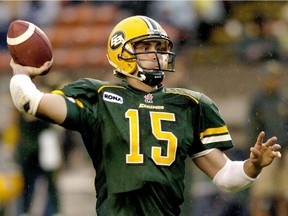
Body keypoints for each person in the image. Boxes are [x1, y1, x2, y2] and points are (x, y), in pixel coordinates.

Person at [8, 15, 281, 216]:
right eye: (146, 48)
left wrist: (252, 166)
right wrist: (21, 74)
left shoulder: (188, 104)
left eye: (159, 48)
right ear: (122, 51)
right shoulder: (100, 97)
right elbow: (30, 102)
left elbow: (225, 176)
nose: (156, 55)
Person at [247, 60, 288, 216]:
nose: (272, 81)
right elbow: (252, 128)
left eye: (275, 77)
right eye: (269, 77)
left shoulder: (283, 99)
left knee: (283, 195)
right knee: (262, 195)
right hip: (265, 151)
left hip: (285, 152)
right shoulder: (258, 101)